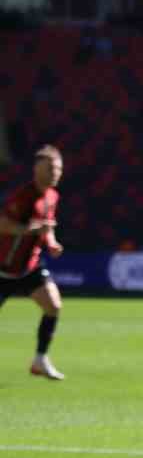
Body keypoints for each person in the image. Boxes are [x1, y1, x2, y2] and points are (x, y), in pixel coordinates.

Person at [0, 146, 66, 380]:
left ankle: (40, 360)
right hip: (3, 269)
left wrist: (51, 241)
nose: (56, 173)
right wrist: (32, 230)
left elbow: (46, 226)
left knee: (53, 306)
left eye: (59, 168)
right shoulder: (23, 196)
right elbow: (4, 225)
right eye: (51, 168)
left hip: (29, 267)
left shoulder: (53, 196)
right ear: (37, 170)